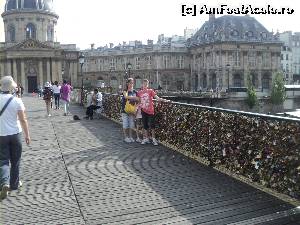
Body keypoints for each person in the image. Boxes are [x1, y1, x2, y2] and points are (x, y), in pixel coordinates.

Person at [0, 76, 30, 200]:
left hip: (1, 135)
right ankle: (14, 184)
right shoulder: (17, 100)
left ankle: (4, 183)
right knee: (16, 160)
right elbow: (23, 120)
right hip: (15, 134)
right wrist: (27, 135)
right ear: (11, 87)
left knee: (3, 160)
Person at [137, 79, 169, 146]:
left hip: (150, 110)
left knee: (152, 125)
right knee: (145, 125)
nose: (145, 85)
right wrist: (137, 109)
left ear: (148, 85)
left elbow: (157, 98)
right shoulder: (139, 92)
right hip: (143, 110)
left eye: (146, 84)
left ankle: (154, 139)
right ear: (142, 85)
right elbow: (139, 101)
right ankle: (146, 138)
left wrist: (164, 100)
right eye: (144, 84)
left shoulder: (150, 91)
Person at [121, 78, 139, 143]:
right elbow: (126, 97)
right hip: (125, 110)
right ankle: (126, 137)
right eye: (130, 83)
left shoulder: (135, 92)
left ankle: (131, 136)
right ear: (127, 83)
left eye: (132, 83)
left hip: (132, 110)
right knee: (125, 124)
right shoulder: (125, 91)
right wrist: (134, 97)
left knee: (131, 124)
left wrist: (136, 107)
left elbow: (139, 100)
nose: (131, 84)